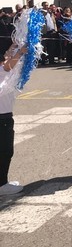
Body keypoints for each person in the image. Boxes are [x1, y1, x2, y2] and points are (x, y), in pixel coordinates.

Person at [0, 44, 27, 194]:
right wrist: (20, 52)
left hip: (3, 117)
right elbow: (9, 64)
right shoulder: (3, 70)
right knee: (5, 151)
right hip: (3, 119)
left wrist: (13, 47)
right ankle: (2, 184)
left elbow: (8, 58)